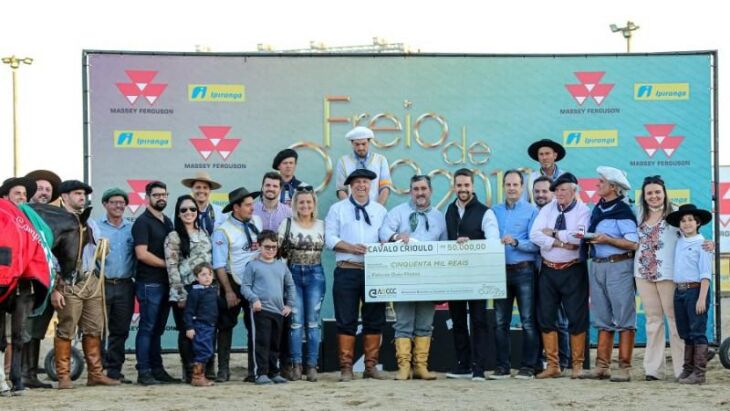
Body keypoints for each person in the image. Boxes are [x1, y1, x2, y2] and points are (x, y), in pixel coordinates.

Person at [634, 176, 714, 381]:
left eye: (657, 192)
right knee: (653, 321)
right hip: (643, 274)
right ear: (644, 196)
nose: (653, 196)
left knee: (676, 321)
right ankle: (653, 370)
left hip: (670, 274)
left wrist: (709, 244)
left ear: (664, 193)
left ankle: (682, 369)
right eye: (649, 193)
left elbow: (693, 236)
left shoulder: (677, 212)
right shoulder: (639, 213)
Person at [51, 180, 120, 389]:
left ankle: (95, 373)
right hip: (68, 282)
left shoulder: (89, 222)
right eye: (77, 194)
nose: (82, 197)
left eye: (83, 194)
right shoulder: (57, 222)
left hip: (91, 280)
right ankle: (63, 375)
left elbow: (98, 250)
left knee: (93, 328)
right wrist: (55, 287)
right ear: (64, 197)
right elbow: (51, 256)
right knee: (66, 328)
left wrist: (103, 248)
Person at [379, 175, 446, 381]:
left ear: (430, 191)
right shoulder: (397, 212)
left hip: (429, 279)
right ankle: (404, 367)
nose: (420, 193)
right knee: (403, 323)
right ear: (410, 191)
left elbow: (445, 246)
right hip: (404, 279)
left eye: (423, 188)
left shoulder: (439, 216)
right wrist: (398, 237)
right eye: (416, 189)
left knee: (425, 323)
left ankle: (420, 366)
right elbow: (383, 233)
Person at [325, 169, 388, 381]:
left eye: (366, 182)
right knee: (345, 319)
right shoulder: (337, 209)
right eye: (358, 182)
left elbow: (386, 236)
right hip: (347, 269)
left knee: (375, 318)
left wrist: (385, 244)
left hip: (374, 271)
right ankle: (346, 368)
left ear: (371, 185)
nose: (362, 185)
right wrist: (352, 248)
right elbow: (329, 238)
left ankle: (370, 366)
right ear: (350, 185)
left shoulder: (380, 210)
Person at [529, 173, 591, 379]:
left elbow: (579, 237)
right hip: (548, 270)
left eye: (563, 189)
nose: (558, 194)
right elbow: (534, 235)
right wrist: (561, 242)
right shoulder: (548, 208)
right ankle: (553, 365)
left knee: (577, 317)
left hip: (573, 269)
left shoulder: (583, 210)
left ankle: (577, 365)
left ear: (574, 191)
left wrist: (554, 233)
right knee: (546, 317)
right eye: (556, 190)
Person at [444, 168, 499, 381]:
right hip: (455, 275)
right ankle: (463, 365)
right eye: (459, 185)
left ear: (472, 186)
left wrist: (472, 244)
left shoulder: (486, 212)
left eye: (466, 185)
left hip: (478, 275)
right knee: (458, 321)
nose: (463, 189)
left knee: (478, 321)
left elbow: (493, 241)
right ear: (454, 187)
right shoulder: (449, 210)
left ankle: (479, 368)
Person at [584, 167, 639, 383]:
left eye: (601, 182)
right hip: (598, 265)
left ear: (613, 187)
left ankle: (624, 367)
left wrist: (608, 240)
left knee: (624, 315)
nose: (597, 184)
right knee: (602, 315)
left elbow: (633, 243)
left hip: (619, 266)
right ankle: (602, 366)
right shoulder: (598, 209)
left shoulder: (623, 212)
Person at [490, 170, 540, 380]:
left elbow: (537, 244)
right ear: (503, 186)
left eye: (515, 185)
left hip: (524, 271)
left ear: (522, 187)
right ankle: (503, 366)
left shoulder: (532, 211)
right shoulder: (493, 211)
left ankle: (528, 366)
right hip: (499, 273)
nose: (511, 188)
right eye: (508, 184)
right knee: (500, 322)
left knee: (528, 321)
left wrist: (516, 242)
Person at [211, 187, 262, 382]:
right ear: (236, 207)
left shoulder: (256, 222)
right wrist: (229, 291)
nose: (252, 208)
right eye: (248, 205)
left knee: (255, 327)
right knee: (225, 326)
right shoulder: (222, 231)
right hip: (233, 281)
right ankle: (223, 370)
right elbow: (219, 264)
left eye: (252, 204)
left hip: (255, 283)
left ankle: (253, 370)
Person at [277, 185, 326, 382]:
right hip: (293, 274)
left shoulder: (322, 225)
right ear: (295, 204)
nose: (305, 205)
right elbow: (278, 252)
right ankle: (296, 365)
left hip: (315, 274)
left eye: (309, 202)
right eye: (301, 202)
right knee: (296, 323)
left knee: (313, 323)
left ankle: (312, 366)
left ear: (314, 204)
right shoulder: (287, 223)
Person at [131, 181, 176, 385]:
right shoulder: (142, 222)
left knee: (157, 329)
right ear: (147, 197)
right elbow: (142, 254)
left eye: (164, 194)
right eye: (156, 195)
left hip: (166, 283)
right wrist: (168, 265)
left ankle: (157, 369)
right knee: (147, 328)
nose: (161, 198)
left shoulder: (167, 221)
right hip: (149, 283)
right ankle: (144, 371)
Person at [165, 195, 212, 383]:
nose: (189, 213)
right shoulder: (173, 236)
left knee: (205, 330)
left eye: (192, 209)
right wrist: (180, 294)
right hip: (185, 290)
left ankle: (203, 370)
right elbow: (171, 267)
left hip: (204, 290)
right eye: (184, 210)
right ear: (178, 213)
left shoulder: (204, 233)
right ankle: (189, 371)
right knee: (187, 331)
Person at [20, 170, 61, 388]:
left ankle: (31, 374)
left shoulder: (55, 217)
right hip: (25, 281)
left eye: (48, 189)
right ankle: (16, 374)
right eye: (40, 188)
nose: (44, 193)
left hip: (49, 282)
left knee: (37, 330)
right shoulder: (20, 214)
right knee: (20, 329)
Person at [241, 230, 296, 385]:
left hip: (278, 311)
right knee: (261, 343)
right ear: (259, 246)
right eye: (267, 247)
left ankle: (274, 372)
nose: (271, 250)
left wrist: (289, 304)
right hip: (260, 311)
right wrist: (254, 299)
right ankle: (260, 373)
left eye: (274, 247)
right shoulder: (252, 266)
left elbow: (290, 285)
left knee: (275, 344)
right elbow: (245, 287)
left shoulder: (281, 266)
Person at [666, 204, 713, 384]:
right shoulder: (679, 241)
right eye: (683, 220)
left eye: (690, 220)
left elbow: (705, 275)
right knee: (685, 331)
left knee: (697, 330)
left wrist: (702, 297)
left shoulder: (703, 244)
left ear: (698, 222)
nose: (686, 223)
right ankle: (688, 368)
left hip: (695, 290)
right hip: (679, 290)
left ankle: (699, 373)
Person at [533, 175, 571, 372]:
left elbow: (570, 241)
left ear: (553, 193)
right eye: (537, 191)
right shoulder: (533, 213)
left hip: (559, 269)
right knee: (543, 318)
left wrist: (551, 237)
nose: (541, 195)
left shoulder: (561, 212)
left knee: (560, 319)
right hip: (536, 271)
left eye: (544, 191)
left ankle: (564, 362)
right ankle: (547, 361)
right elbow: (534, 236)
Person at [97, 188, 136, 384]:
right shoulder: (95, 227)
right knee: (99, 329)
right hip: (101, 284)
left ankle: (114, 370)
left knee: (120, 330)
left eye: (122, 202)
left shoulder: (131, 228)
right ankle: (98, 370)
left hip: (125, 285)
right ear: (105, 204)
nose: (118, 206)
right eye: (114, 202)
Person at [335, 126, 391, 205]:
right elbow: (341, 189)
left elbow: (385, 187)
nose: (360, 147)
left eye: (363, 144)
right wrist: (350, 209)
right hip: (351, 212)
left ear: (369, 142)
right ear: (352, 143)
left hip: (375, 210)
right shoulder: (343, 161)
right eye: (357, 144)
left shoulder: (380, 160)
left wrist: (377, 210)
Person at [184, 262, 219, 387]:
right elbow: (188, 311)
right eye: (203, 274)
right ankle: (197, 377)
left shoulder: (213, 290)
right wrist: (189, 327)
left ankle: (200, 375)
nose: (207, 277)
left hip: (211, 326)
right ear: (196, 277)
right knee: (203, 351)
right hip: (200, 326)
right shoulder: (195, 292)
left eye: (210, 274)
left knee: (208, 351)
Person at [181, 171, 225, 236]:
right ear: (192, 189)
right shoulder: (182, 212)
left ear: (210, 191)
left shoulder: (220, 212)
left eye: (205, 188)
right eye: (198, 187)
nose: (201, 191)